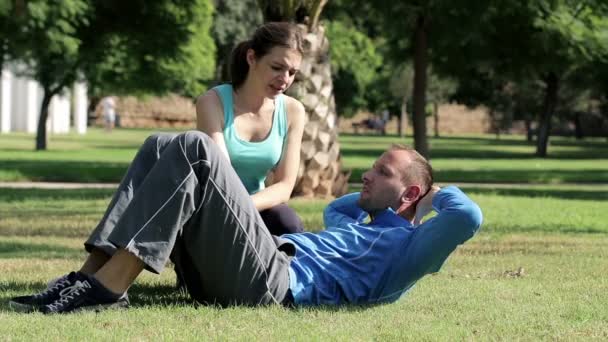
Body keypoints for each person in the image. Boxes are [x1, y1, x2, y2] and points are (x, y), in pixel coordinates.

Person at [9, 130, 482, 314]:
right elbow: (340, 208)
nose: (367, 173)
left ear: (413, 193)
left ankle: (108, 292)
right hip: (259, 266)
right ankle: (87, 276)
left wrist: (431, 196)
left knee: (198, 148)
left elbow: (467, 217)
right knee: (159, 144)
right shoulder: (357, 223)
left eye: (383, 171)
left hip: (275, 285)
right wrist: (386, 199)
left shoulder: (411, 251)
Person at [196, 22, 306, 236]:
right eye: (277, 67)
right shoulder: (212, 102)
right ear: (251, 58)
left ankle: (288, 270)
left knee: (287, 222)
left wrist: (245, 206)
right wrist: (236, 208)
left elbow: (284, 186)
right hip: (213, 207)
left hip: (255, 207)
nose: (285, 79)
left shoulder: (293, 111)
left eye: (292, 72)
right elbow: (221, 177)